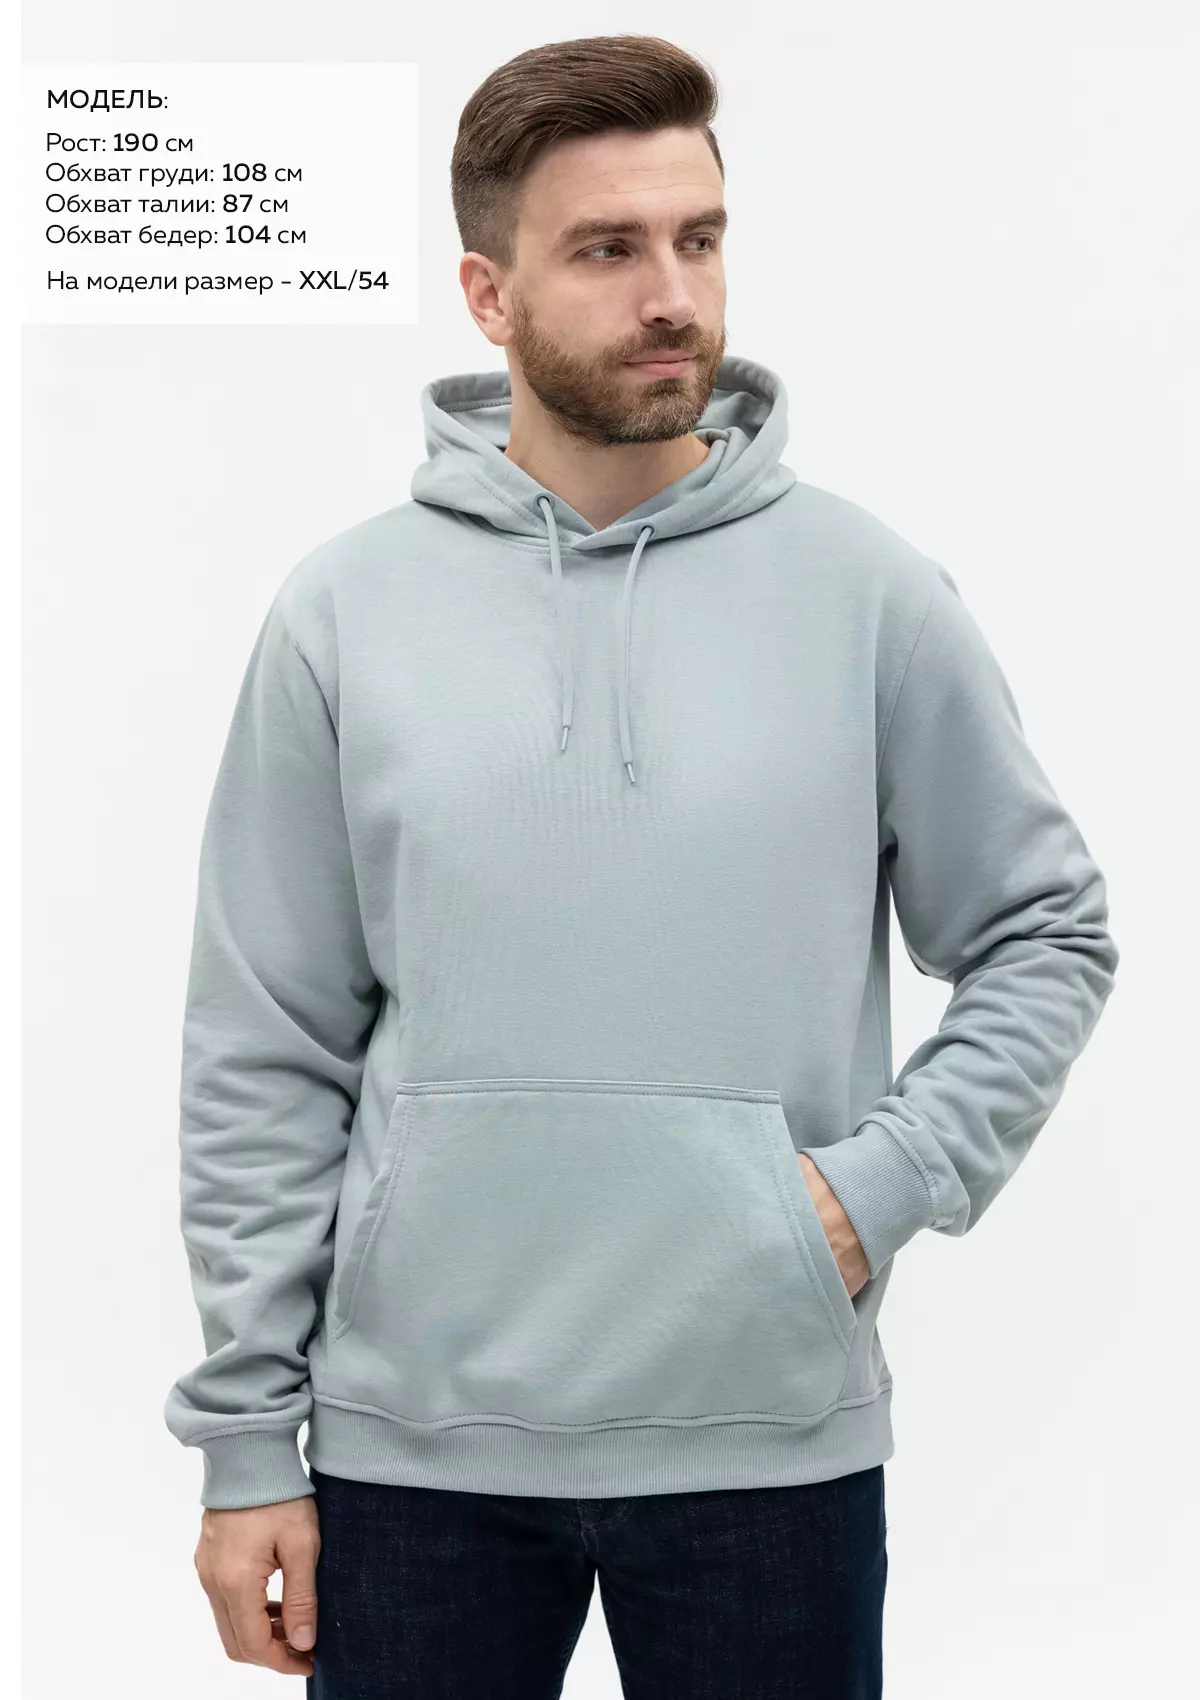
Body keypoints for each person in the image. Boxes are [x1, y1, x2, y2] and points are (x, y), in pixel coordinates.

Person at [164, 33, 1119, 1698]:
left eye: (700, 238)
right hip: (411, 1459)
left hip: (770, 1445)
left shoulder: (871, 597)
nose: (673, 296)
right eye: (609, 249)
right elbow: (266, 1041)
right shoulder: (343, 614)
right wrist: (249, 1442)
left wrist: (875, 1190)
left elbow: (1045, 931)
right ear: (489, 293)